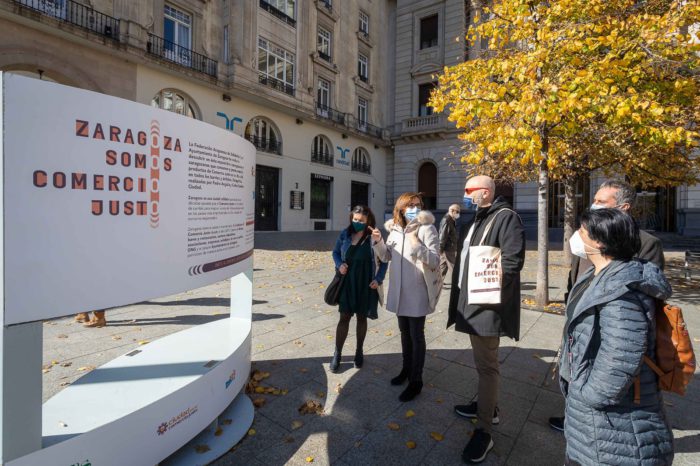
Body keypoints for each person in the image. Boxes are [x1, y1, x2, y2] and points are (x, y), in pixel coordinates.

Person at [559, 208, 673, 465]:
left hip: (615, 426)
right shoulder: (598, 275)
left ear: (600, 242)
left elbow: (621, 355)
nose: (576, 236)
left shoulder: (622, 289)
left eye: (582, 231)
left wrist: (589, 396)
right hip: (595, 424)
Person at [549, 179, 665, 432]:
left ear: (623, 207)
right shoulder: (588, 235)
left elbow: (647, 299)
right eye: (595, 200)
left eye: (602, 202)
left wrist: (593, 396)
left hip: (610, 336)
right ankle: (572, 414)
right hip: (581, 322)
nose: (594, 205)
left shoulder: (645, 244)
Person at [447, 175, 525, 464]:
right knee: (482, 364)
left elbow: (512, 261)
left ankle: (485, 430)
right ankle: (486, 407)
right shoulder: (479, 218)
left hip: (485, 305)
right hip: (470, 302)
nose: (466, 194)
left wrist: (489, 294)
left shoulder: (506, 218)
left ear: (486, 191)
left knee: (487, 367)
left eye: (470, 190)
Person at [370, 192, 441, 402]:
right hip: (399, 291)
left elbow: (435, 260)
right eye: (410, 206)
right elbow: (386, 256)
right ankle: (406, 370)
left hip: (417, 291)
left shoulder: (427, 228)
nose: (415, 209)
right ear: (401, 208)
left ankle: (416, 380)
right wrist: (378, 242)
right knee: (404, 333)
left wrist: (416, 244)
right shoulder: (393, 229)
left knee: (416, 335)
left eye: (418, 205)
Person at [330, 205, 387, 373]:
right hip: (347, 282)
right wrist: (340, 265)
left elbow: (384, 260)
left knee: (362, 319)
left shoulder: (374, 237)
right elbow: (335, 253)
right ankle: (337, 353)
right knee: (344, 318)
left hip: (366, 284)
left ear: (368, 221)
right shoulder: (345, 234)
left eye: (361, 220)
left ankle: (359, 351)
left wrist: (378, 279)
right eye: (355, 219)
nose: (357, 222)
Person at [439, 204, 461, 280]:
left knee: (442, 266)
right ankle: (457, 284)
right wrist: (440, 248)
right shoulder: (447, 220)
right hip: (448, 248)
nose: (458, 214)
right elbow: (443, 235)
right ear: (452, 211)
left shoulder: (451, 219)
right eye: (457, 212)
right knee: (454, 267)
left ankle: (437, 282)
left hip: (447, 247)